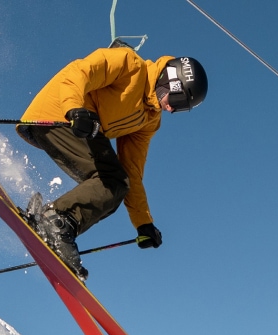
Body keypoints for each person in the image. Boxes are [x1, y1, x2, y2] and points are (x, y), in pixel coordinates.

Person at [16, 46, 208, 279]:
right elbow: (79, 72)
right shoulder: (129, 66)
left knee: (116, 184)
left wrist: (143, 222)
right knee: (111, 180)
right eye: (177, 99)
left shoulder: (149, 120)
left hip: (83, 129)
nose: (171, 108)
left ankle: (57, 223)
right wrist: (74, 109)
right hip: (60, 114)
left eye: (180, 109)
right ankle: (55, 222)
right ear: (172, 80)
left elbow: (131, 172)